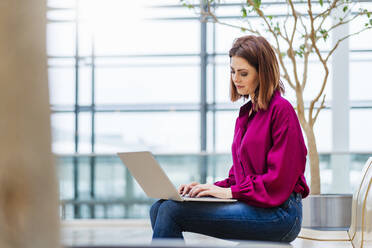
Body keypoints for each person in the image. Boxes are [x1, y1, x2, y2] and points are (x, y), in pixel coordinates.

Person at [149, 35, 309, 243]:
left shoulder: (281, 110)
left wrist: (228, 192)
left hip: (281, 214)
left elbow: (278, 181)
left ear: (263, 73)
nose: (236, 79)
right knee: (159, 207)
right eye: (233, 71)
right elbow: (239, 178)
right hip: (257, 205)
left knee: (171, 211)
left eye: (244, 73)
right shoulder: (246, 115)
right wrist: (205, 189)